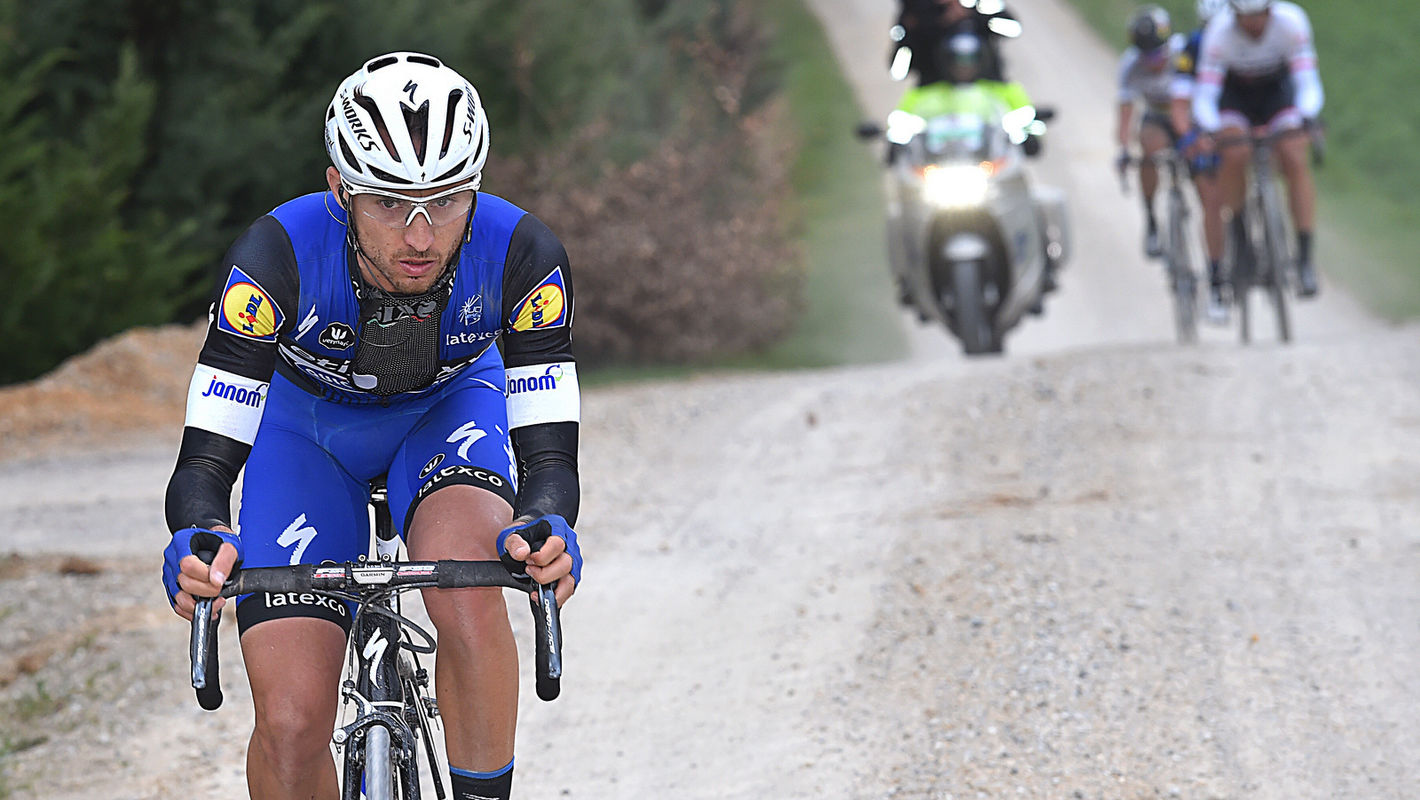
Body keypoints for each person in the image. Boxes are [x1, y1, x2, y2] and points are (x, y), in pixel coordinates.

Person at [161, 51, 583, 800]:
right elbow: (205, 461)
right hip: (306, 435)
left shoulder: (522, 254)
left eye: (446, 201)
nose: (420, 237)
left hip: (447, 412)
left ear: (476, 189)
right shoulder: (276, 256)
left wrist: (548, 520)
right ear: (340, 190)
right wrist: (199, 529)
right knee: (291, 725)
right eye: (389, 203)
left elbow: (548, 452)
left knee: (466, 587)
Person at [1189, 0, 1324, 297]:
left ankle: (1304, 257)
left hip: (1277, 93)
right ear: (1234, 14)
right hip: (1235, 97)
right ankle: (1239, 230)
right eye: (1244, 17)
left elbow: (1307, 81)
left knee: (1294, 155)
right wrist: (1210, 128)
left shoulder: (1291, 22)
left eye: (1259, 16)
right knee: (1233, 153)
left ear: (1270, 11)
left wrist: (1307, 115)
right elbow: (1206, 94)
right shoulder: (1219, 32)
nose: (1252, 24)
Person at [1171, 0, 1232, 319]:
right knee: (1211, 201)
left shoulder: (1243, 41)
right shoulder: (1192, 48)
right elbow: (1180, 104)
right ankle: (1217, 279)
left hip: (1237, 121)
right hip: (1205, 127)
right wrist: (1190, 137)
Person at [1115, 5, 1186, 259]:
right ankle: (1152, 221)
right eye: (1146, 57)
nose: (1153, 63)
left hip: (1188, 116)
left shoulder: (1184, 52)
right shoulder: (1129, 65)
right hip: (1157, 116)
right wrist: (1124, 150)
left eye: (1158, 55)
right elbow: (1125, 114)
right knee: (1147, 151)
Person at [891, 0, 1020, 86]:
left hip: (988, 88)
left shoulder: (981, 5)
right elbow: (899, 69)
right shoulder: (915, 15)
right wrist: (926, 28)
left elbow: (1013, 28)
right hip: (934, 91)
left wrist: (975, 17)